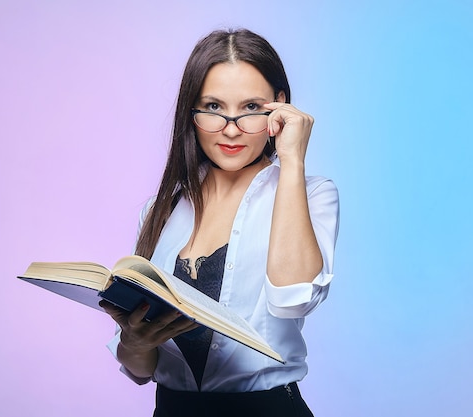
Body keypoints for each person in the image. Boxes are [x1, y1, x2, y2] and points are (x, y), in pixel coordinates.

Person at [101, 28, 339, 417]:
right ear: (191, 112)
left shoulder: (311, 194)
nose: (230, 128)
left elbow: (295, 298)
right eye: (213, 107)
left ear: (280, 106)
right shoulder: (161, 209)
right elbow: (140, 369)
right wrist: (137, 342)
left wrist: (292, 159)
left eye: (250, 107)